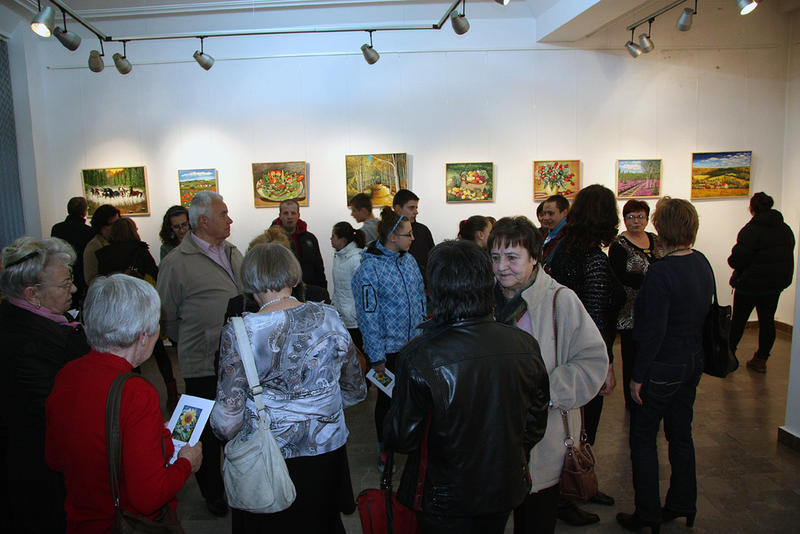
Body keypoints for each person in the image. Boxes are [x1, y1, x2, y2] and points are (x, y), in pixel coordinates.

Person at [384, 240, 551, 534]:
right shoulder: (524, 344)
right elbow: (535, 421)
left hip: (443, 495)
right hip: (503, 485)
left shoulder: (420, 355)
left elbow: (402, 437)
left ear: (435, 288)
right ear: (487, 282)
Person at [210, 243, 366, 533]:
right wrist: (318, 408)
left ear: (250, 280)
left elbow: (226, 421)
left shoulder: (242, 331)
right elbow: (355, 389)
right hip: (326, 449)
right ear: (293, 276)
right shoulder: (330, 317)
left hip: (268, 457)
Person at [46, 274, 202, 534]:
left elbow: (55, 458)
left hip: (80, 520)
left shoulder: (67, 374)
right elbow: (149, 497)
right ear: (142, 336)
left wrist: (151, 438)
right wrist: (186, 463)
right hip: (122, 523)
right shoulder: (136, 392)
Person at [490, 217, 608, 534]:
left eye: (512, 257)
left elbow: (591, 361)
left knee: (535, 518)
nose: (501, 267)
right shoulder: (486, 300)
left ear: (534, 257)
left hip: (543, 436)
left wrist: (543, 393)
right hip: (495, 437)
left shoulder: (560, 300)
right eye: (495, 257)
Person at [617, 197, 714, 533]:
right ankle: (684, 503)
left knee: (643, 438)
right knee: (681, 434)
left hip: (662, 366)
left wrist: (637, 376)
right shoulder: (701, 262)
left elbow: (652, 332)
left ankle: (647, 513)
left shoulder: (661, 272)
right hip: (692, 360)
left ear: (662, 228)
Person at [157, 190, 243, 516]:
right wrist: (196, 342)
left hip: (237, 360)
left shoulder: (232, 251)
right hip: (202, 362)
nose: (230, 219)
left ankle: (238, 480)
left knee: (236, 422)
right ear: (203, 221)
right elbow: (166, 315)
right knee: (202, 430)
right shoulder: (176, 263)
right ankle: (212, 491)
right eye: (223, 214)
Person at [0, 236, 90, 533]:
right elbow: (60, 415)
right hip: (43, 474)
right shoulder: (29, 345)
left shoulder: (34, 324)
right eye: (65, 284)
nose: (73, 289)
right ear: (32, 294)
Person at [547, 184, 622, 517]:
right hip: (583, 358)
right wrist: (606, 364)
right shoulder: (593, 260)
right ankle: (570, 491)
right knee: (580, 427)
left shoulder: (562, 249)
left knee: (572, 427)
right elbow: (596, 321)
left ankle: (577, 483)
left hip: (562, 353)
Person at [352, 207, 426, 470]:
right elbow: (368, 317)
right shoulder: (368, 271)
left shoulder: (409, 261)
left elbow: (420, 298)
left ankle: (411, 443)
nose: (413, 238)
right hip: (387, 351)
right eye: (408, 234)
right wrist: (376, 357)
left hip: (414, 346)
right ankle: (385, 449)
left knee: (415, 400)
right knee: (388, 404)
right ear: (393, 237)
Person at [97, 217, 179, 408]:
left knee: (127, 352)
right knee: (159, 352)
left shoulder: (104, 254)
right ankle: (172, 392)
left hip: (116, 310)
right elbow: (155, 275)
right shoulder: (139, 251)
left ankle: (131, 394)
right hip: (140, 307)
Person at [727, 192, 795, 373]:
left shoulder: (751, 230)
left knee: (738, 322)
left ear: (752, 208)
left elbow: (737, 260)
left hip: (749, 285)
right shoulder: (785, 229)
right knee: (767, 322)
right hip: (774, 286)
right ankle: (761, 359)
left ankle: (728, 357)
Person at [609, 200, 658, 409]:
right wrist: (650, 280)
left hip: (655, 307)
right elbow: (620, 276)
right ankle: (632, 400)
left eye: (640, 217)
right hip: (630, 311)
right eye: (631, 217)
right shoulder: (619, 245)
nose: (636, 221)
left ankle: (650, 394)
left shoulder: (656, 240)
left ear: (647, 219)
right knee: (631, 356)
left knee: (653, 354)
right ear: (624, 219)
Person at [272, 199, 327, 289]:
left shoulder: (310, 239)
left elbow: (319, 267)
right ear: (280, 216)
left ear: (298, 215)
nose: (289, 217)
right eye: (286, 213)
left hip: (309, 288)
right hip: (281, 289)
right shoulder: (272, 239)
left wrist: (323, 289)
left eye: (293, 213)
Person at [50, 196, 94, 308]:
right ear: (84, 211)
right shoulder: (88, 231)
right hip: (81, 274)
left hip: (62, 272)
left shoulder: (57, 228)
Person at [331, 222, 366, 350]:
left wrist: (354, 313)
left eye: (333, 236)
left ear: (343, 239)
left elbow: (363, 291)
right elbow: (339, 288)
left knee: (359, 353)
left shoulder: (357, 258)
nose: (331, 239)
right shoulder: (339, 256)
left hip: (355, 320)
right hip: (342, 316)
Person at [393, 189, 435, 284]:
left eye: (416, 208)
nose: (416, 212)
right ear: (398, 208)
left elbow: (432, 259)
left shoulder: (423, 230)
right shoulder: (388, 232)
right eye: (411, 208)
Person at [83, 204, 120, 286]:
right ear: (101, 226)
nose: (116, 227)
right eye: (111, 224)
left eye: (117, 223)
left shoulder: (116, 241)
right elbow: (90, 279)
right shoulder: (94, 246)